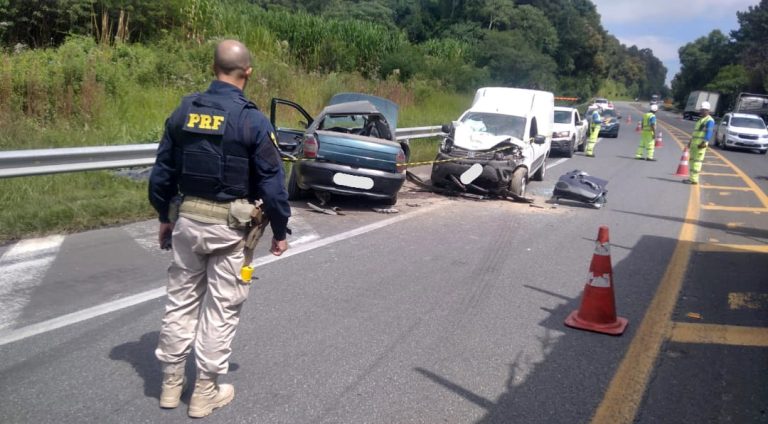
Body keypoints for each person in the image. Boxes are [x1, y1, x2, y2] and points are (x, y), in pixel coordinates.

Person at [148, 39, 291, 418]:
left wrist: (164, 217)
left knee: (180, 304)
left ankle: (169, 386)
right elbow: (273, 185)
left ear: (214, 68)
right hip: (231, 230)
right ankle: (204, 393)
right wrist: (280, 231)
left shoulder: (184, 111)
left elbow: (162, 173)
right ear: (248, 72)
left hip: (188, 222)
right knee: (221, 310)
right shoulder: (252, 120)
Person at [683, 101, 715, 185]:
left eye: (703, 110)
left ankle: (694, 179)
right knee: (692, 161)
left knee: (697, 162)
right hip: (694, 144)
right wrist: (690, 142)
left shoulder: (709, 120)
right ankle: (691, 178)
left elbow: (709, 133)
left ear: (707, 110)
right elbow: (695, 133)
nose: (701, 111)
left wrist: (704, 143)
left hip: (700, 145)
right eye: (701, 109)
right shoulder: (700, 120)